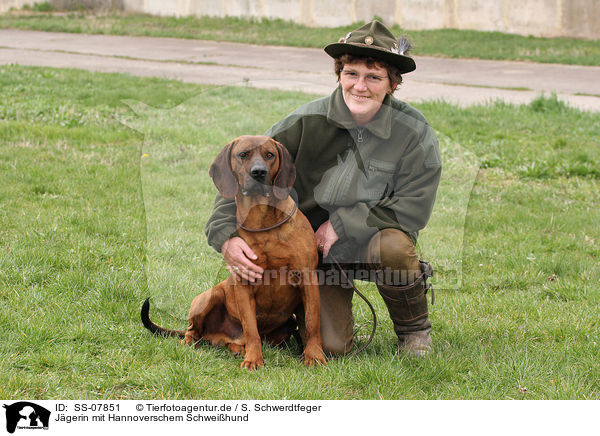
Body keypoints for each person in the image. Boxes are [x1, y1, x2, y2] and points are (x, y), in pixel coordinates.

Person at [205, 20, 441, 357]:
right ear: (339, 75)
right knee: (332, 348)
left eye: (373, 77)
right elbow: (243, 177)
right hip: (313, 256)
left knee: (395, 249)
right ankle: (297, 319)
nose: (360, 86)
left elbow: (415, 206)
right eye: (351, 74)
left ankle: (414, 333)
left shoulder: (414, 132)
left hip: (373, 242)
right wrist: (225, 235)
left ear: (392, 84)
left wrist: (343, 223)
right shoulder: (302, 123)